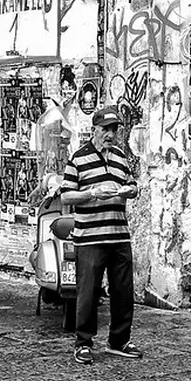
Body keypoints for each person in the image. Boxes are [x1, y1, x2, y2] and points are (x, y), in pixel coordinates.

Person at [60, 105, 142, 366]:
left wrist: (130, 190)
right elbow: (66, 195)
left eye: (114, 129)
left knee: (123, 291)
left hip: (119, 236)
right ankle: (83, 343)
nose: (110, 134)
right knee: (88, 292)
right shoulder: (78, 159)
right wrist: (92, 193)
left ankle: (119, 341)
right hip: (91, 238)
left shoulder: (120, 157)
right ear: (94, 129)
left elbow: (131, 185)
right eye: (105, 129)